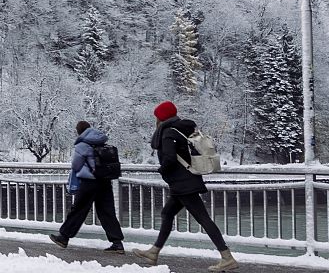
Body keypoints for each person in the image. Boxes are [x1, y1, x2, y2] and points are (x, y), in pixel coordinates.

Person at [138, 101, 239, 272]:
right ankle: (154, 252)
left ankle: (227, 257)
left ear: (161, 117)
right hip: (186, 181)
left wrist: (162, 170)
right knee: (167, 213)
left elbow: (169, 158)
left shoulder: (168, 133)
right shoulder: (182, 128)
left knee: (203, 219)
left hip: (183, 184)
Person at [49, 121, 125, 252]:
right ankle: (117, 243)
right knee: (107, 212)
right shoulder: (101, 140)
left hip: (89, 182)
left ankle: (64, 237)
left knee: (78, 210)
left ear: (79, 132)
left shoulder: (82, 145)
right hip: (105, 181)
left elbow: (76, 165)